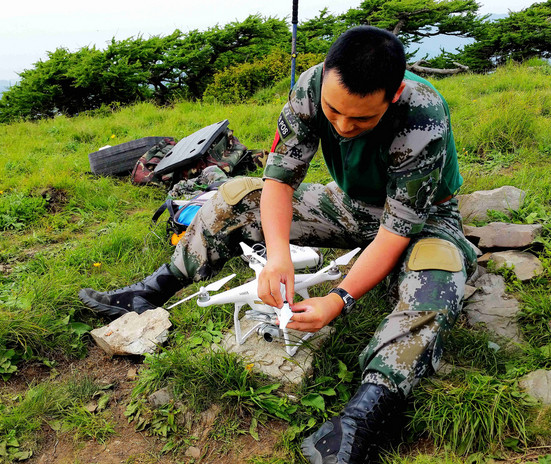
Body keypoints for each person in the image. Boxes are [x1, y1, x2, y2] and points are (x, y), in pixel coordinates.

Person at [79, 26, 476, 463]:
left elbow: (396, 231)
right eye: (334, 112)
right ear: (325, 78)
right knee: (235, 197)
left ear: (394, 93)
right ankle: (150, 291)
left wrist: (339, 298)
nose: (344, 127)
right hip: (349, 204)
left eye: (361, 119)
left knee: (436, 279)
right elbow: (279, 181)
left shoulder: (422, 113)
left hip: (422, 218)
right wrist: (279, 257)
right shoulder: (309, 87)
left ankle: (366, 414)